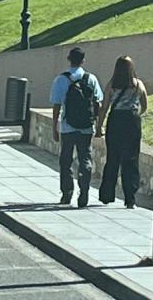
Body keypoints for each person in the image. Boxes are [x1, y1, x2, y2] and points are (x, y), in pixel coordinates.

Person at [50, 47, 103, 208]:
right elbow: (98, 102)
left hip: (68, 126)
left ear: (69, 59)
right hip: (86, 127)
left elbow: (57, 106)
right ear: (83, 60)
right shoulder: (91, 78)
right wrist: (97, 123)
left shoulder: (61, 79)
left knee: (65, 160)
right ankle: (84, 191)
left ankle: (67, 193)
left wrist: (54, 127)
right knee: (85, 158)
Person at [96, 56, 148, 208]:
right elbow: (144, 105)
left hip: (116, 121)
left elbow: (104, 107)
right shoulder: (138, 85)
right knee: (131, 159)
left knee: (113, 158)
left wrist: (99, 127)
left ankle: (107, 194)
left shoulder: (112, 85)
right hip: (132, 122)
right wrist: (136, 113)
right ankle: (130, 198)